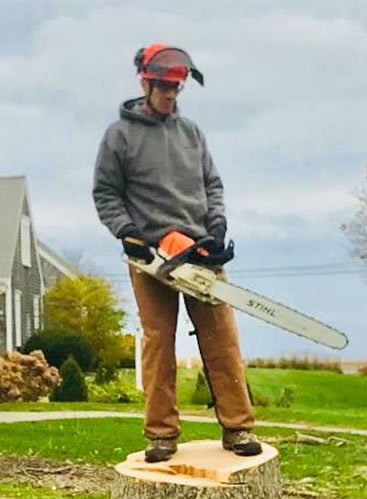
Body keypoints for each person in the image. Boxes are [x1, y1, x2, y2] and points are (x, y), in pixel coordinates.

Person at [92, 43, 262, 462]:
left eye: (176, 89)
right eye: (164, 88)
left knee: (222, 339)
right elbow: (106, 194)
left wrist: (217, 225)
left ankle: (238, 428)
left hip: (200, 252)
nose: (170, 96)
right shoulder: (120, 136)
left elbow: (213, 186)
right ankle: (161, 435)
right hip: (150, 256)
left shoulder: (192, 134)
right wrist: (127, 232)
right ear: (146, 83)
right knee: (158, 343)